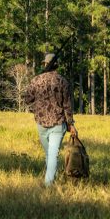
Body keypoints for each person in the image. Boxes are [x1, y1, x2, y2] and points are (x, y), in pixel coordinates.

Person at [24, 52, 77, 187]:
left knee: (50, 154)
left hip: (41, 123)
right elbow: (67, 106)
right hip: (58, 123)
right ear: (56, 66)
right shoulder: (63, 81)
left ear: (45, 65)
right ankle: (50, 181)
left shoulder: (36, 80)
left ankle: (48, 182)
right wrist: (71, 124)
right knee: (51, 154)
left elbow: (27, 99)